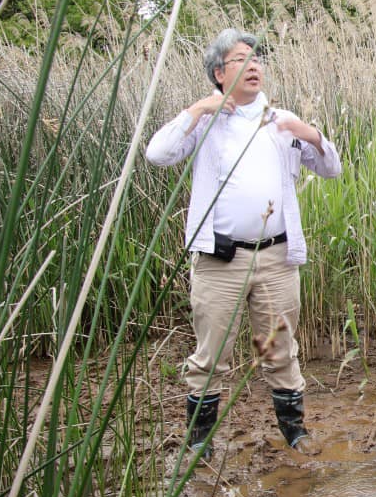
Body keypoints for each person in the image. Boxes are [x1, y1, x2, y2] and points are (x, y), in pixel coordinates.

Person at [146, 28, 342, 458]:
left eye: (257, 59)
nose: (254, 66)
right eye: (241, 59)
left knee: (279, 351)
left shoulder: (282, 121)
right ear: (219, 73)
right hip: (221, 259)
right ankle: (200, 443)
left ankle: (295, 432)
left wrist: (309, 133)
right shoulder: (207, 122)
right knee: (210, 356)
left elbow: (332, 168)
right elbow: (156, 154)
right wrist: (199, 108)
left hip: (276, 257)